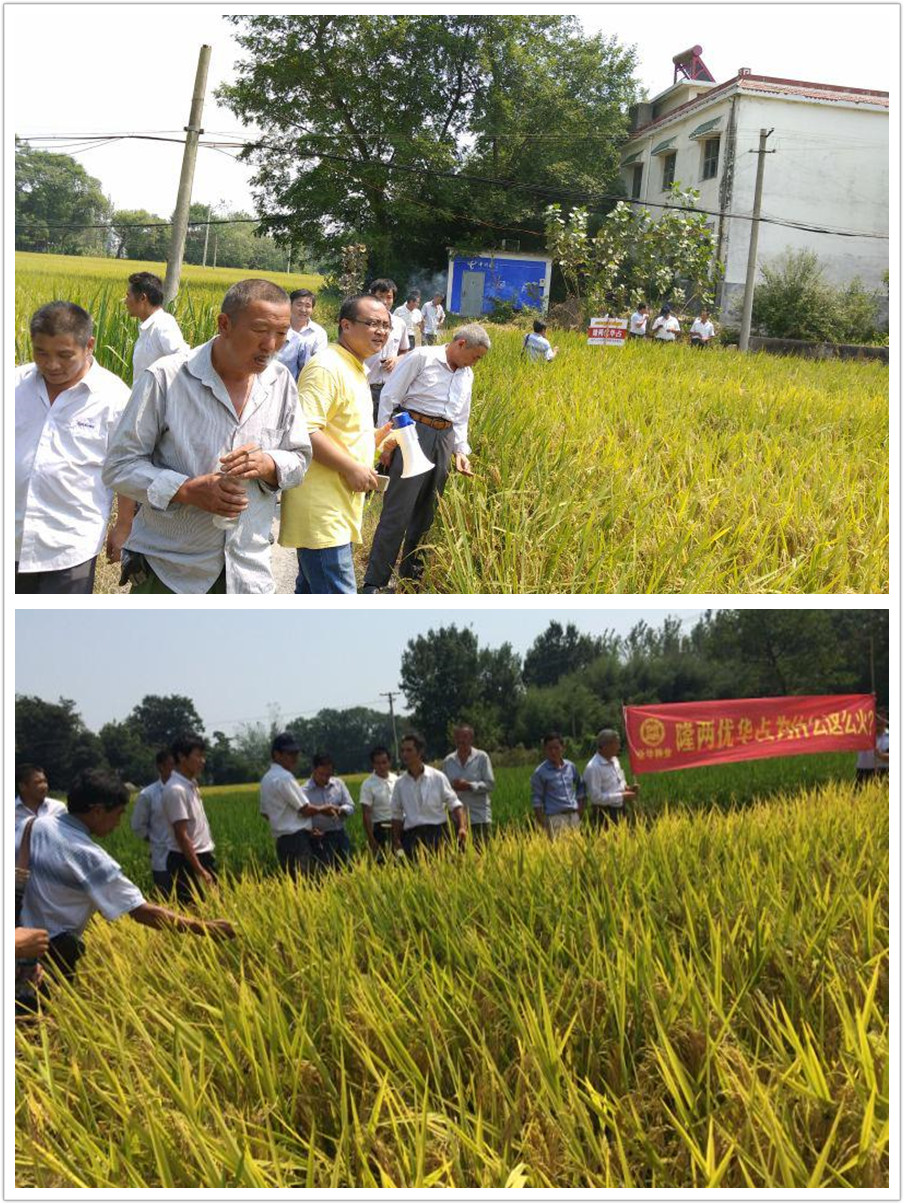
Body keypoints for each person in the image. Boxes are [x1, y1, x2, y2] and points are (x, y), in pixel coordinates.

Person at [103, 278, 312, 594]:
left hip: (248, 573)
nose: (271, 345)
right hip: (172, 572)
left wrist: (269, 464)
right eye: (260, 330)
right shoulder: (166, 378)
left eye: (281, 333)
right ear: (224, 324)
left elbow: (300, 458)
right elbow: (119, 466)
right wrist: (185, 490)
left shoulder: (280, 381)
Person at [16, 769, 234, 990]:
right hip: (47, 958)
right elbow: (142, 912)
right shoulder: (88, 856)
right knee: (40, 1009)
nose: (118, 823)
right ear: (98, 811)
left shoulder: (31, 825)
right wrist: (206, 928)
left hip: (14, 945)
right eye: (118, 814)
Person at [15, 301, 136, 593]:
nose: (52, 365)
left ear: (88, 345)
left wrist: (124, 526)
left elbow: (126, 466)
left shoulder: (114, 397)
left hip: (70, 542)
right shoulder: (13, 385)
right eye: (41, 353)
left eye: (64, 355)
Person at [278, 294, 393, 594]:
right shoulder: (327, 367)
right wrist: (352, 467)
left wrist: (375, 439)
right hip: (322, 510)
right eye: (372, 323)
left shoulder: (354, 367)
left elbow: (339, 429)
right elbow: (305, 430)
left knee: (311, 597)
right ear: (346, 325)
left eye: (386, 325)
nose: (381, 331)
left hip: (339, 506)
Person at [363, 324, 490, 592]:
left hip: (444, 438)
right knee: (398, 511)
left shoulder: (466, 374)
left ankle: (411, 580)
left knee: (427, 514)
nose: (476, 363)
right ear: (461, 344)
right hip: (413, 433)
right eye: (475, 357)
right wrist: (385, 443)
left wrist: (460, 451)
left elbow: (461, 416)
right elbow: (389, 396)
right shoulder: (422, 357)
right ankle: (375, 581)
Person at [259, 733, 339, 877]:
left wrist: (287, 822)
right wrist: (324, 808)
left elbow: (265, 813)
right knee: (306, 882)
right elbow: (305, 810)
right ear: (276, 754)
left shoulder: (266, 778)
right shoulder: (285, 777)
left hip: (282, 842)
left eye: (296, 753)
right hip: (297, 842)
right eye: (290, 754)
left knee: (293, 882)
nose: (295, 758)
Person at [161, 733, 217, 903]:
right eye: (198, 756)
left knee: (214, 907)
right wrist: (200, 870)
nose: (202, 761)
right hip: (187, 861)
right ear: (181, 757)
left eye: (203, 756)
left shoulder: (190, 785)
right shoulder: (176, 790)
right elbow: (181, 835)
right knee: (195, 911)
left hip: (201, 856)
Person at [391, 733, 467, 856]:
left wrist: (462, 827)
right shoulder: (399, 784)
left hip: (438, 835)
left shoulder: (437, 777)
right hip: (412, 837)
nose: (404, 754)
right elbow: (396, 815)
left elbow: (455, 804)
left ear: (420, 752)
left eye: (409, 750)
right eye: (402, 750)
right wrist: (396, 839)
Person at [124, 271, 189, 379]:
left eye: (128, 296)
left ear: (143, 298)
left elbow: (183, 359)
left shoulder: (163, 324)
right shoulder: (148, 327)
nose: (125, 301)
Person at [365, 278, 412, 423]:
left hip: (391, 387)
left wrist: (396, 359)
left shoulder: (400, 324)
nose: (385, 301)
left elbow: (405, 351)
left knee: (388, 429)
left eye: (389, 297)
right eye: (380, 296)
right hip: (366, 386)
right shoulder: (362, 322)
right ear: (372, 296)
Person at [130, 749, 176, 893]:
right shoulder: (148, 795)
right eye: (172, 764)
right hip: (163, 860)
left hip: (187, 859)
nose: (176, 769)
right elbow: (138, 826)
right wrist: (155, 839)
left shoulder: (188, 790)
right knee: (167, 900)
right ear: (161, 767)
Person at [442, 725, 496, 846]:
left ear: (471, 739)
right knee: (460, 854)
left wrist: (469, 786)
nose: (461, 740)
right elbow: (443, 789)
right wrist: (453, 787)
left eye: (465, 737)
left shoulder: (482, 757)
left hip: (479, 817)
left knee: (483, 853)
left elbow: (490, 784)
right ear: (455, 740)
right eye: (458, 737)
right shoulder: (448, 761)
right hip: (456, 821)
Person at [303, 754, 355, 872]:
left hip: (341, 835)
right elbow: (302, 816)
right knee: (325, 872)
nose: (325, 778)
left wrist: (340, 810)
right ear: (313, 770)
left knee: (347, 870)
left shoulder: (338, 784)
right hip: (321, 839)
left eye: (328, 775)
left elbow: (351, 806)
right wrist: (311, 831)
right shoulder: (304, 791)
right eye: (321, 774)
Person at [530, 733, 586, 838]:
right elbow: (537, 799)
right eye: (549, 749)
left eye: (556, 748)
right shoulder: (540, 772)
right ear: (545, 750)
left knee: (577, 847)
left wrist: (580, 810)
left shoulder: (570, 766)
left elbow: (580, 785)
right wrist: (543, 822)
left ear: (563, 748)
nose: (553, 752)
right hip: (555, 818)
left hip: (573, 816)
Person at [583, 729, 639, 827]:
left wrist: (628, 789)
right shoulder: (594, 767)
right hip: (605, 813)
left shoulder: (615, 760)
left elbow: (619, 782)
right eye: (616, 744)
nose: (619, 747)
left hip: (620, 809)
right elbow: (595, 798)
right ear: (605, 746)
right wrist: (622, 796)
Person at [277, 288, 329, 380]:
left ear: (312, 309)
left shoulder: (319, 333)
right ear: (290, 305)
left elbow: (318, 362)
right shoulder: (279, 327)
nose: (303, 309)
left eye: (308, 306)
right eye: (299, 305)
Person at [360, 745, 398, 858]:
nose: (381, 766)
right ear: (373, 764)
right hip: (381, 830)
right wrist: (371, 839)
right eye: (377, 763)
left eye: (384, 762)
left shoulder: (397, 780)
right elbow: (366, 813)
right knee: (383, 861)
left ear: (389, 762)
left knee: (402, 859)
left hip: (399, 827)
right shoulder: (368, 784)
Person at [15, 764, 67, 833]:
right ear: (22, 786)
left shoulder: (58, 808)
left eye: (45, 781)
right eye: (38, 782)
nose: (44, 786)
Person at [856, 713, 889, 786]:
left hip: (884, 771)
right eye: (876, 718)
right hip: (863, 772)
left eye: (881, 718)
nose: (878, 721)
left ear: (885, 721)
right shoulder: (862, 735)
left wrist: (881, 755)